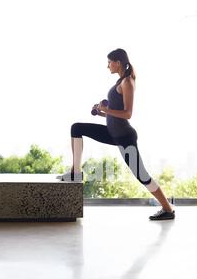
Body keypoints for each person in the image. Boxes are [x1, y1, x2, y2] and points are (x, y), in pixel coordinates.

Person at [57, 48, 175, 221]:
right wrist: (101, 113)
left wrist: (106, 109)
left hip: (124, 137)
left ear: (118, 62)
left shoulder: (127, 82)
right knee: (77, 128)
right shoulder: (120, 81)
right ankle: (75, 172)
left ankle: (167, 209)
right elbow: (114, 114)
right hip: (112, 132)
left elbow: (127, 114)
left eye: (109, 62)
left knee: (141, 175)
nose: (107, 66)